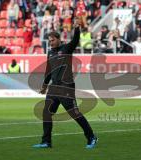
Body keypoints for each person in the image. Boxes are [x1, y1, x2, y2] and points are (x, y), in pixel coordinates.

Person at [33, 18, 97, 149]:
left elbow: (75, 40)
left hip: (66, 86)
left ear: (58, 39)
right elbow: (49, 70)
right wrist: (45, 85)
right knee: (46, 113)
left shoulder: (66, 48)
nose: (50, 43)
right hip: (53, 88)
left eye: (53, 40)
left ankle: (91, 137)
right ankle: (46, 141)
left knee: (74, 113)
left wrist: (77, 28)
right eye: (49, 41)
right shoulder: (50, 52)